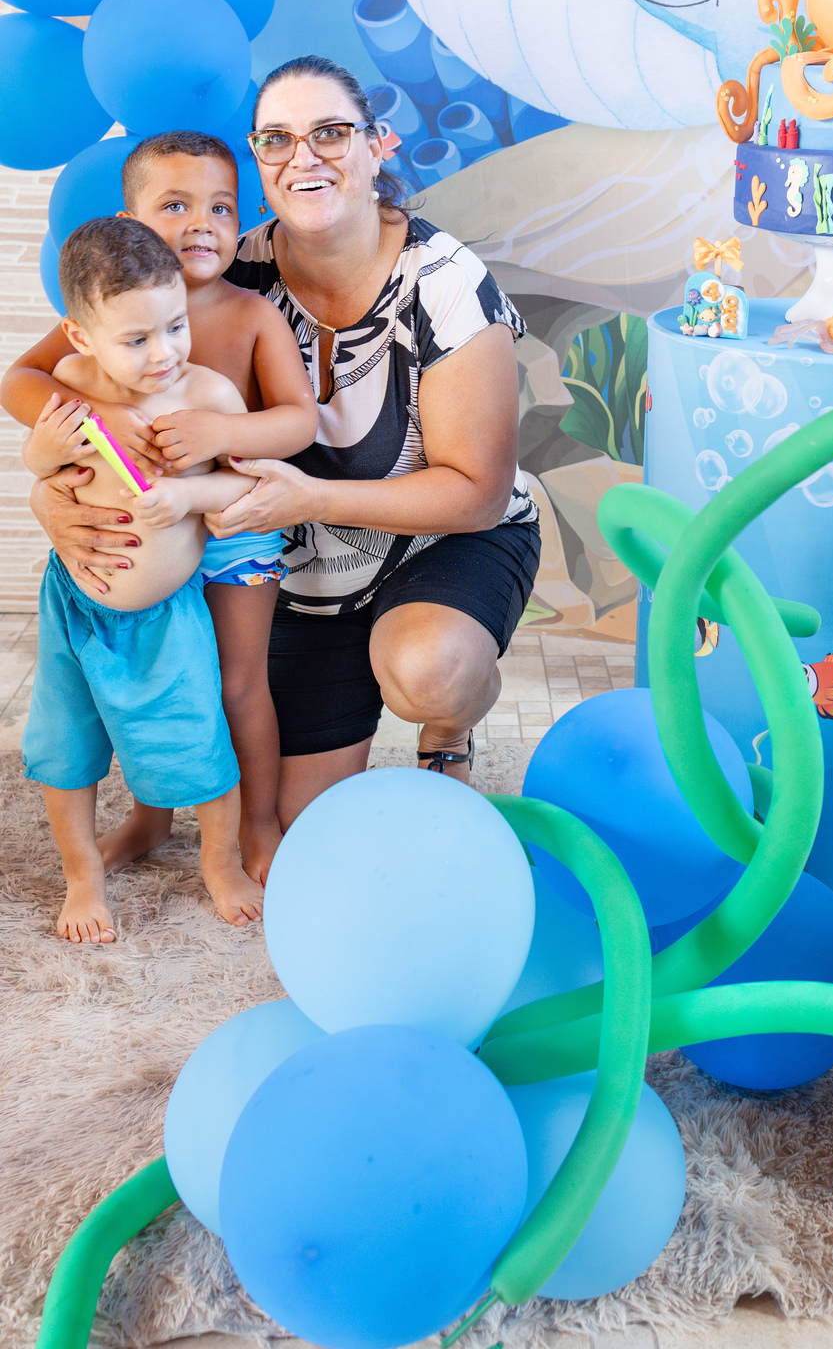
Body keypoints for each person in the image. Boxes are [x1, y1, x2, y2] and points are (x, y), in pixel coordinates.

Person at [20, 56, 541, 829]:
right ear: (260, 163)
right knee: (298, 820)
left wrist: (309, 497)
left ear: (378, 147)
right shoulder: (217, 265)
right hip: (305, 568)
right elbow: (48, 373)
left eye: (330, 133)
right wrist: (64, 489)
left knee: (429, 669)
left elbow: (477, 494)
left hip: (442, 541)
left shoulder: (444, 283)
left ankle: (448, 729)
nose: (304, 157)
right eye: (277, 139)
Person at [2, 134, 318, 882]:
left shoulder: (249, 314)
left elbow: (298, 421)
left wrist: (222, 433)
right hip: (146, 534)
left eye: (221, 208)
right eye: (175, 205)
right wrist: (94, 419)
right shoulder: (113, 306)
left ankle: (258, 823)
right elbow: (20, 380)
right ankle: (152, 817)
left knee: (234, 683)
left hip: (229, 526)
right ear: (132, 222)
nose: (201, 223)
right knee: (159, 686)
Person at [20, 218, 268, 943]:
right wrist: (43, 459)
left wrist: (189, 496)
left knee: (196, 741)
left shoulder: (210, 397)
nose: (164, 354)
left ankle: (220, 865)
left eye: (176, 327)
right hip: (73, 605)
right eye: (136, 340)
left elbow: (249, 489)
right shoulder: (70, 387)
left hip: (166, 616)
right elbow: (43, 465)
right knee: (63, 744)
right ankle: (82, 878)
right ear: (80, 337)